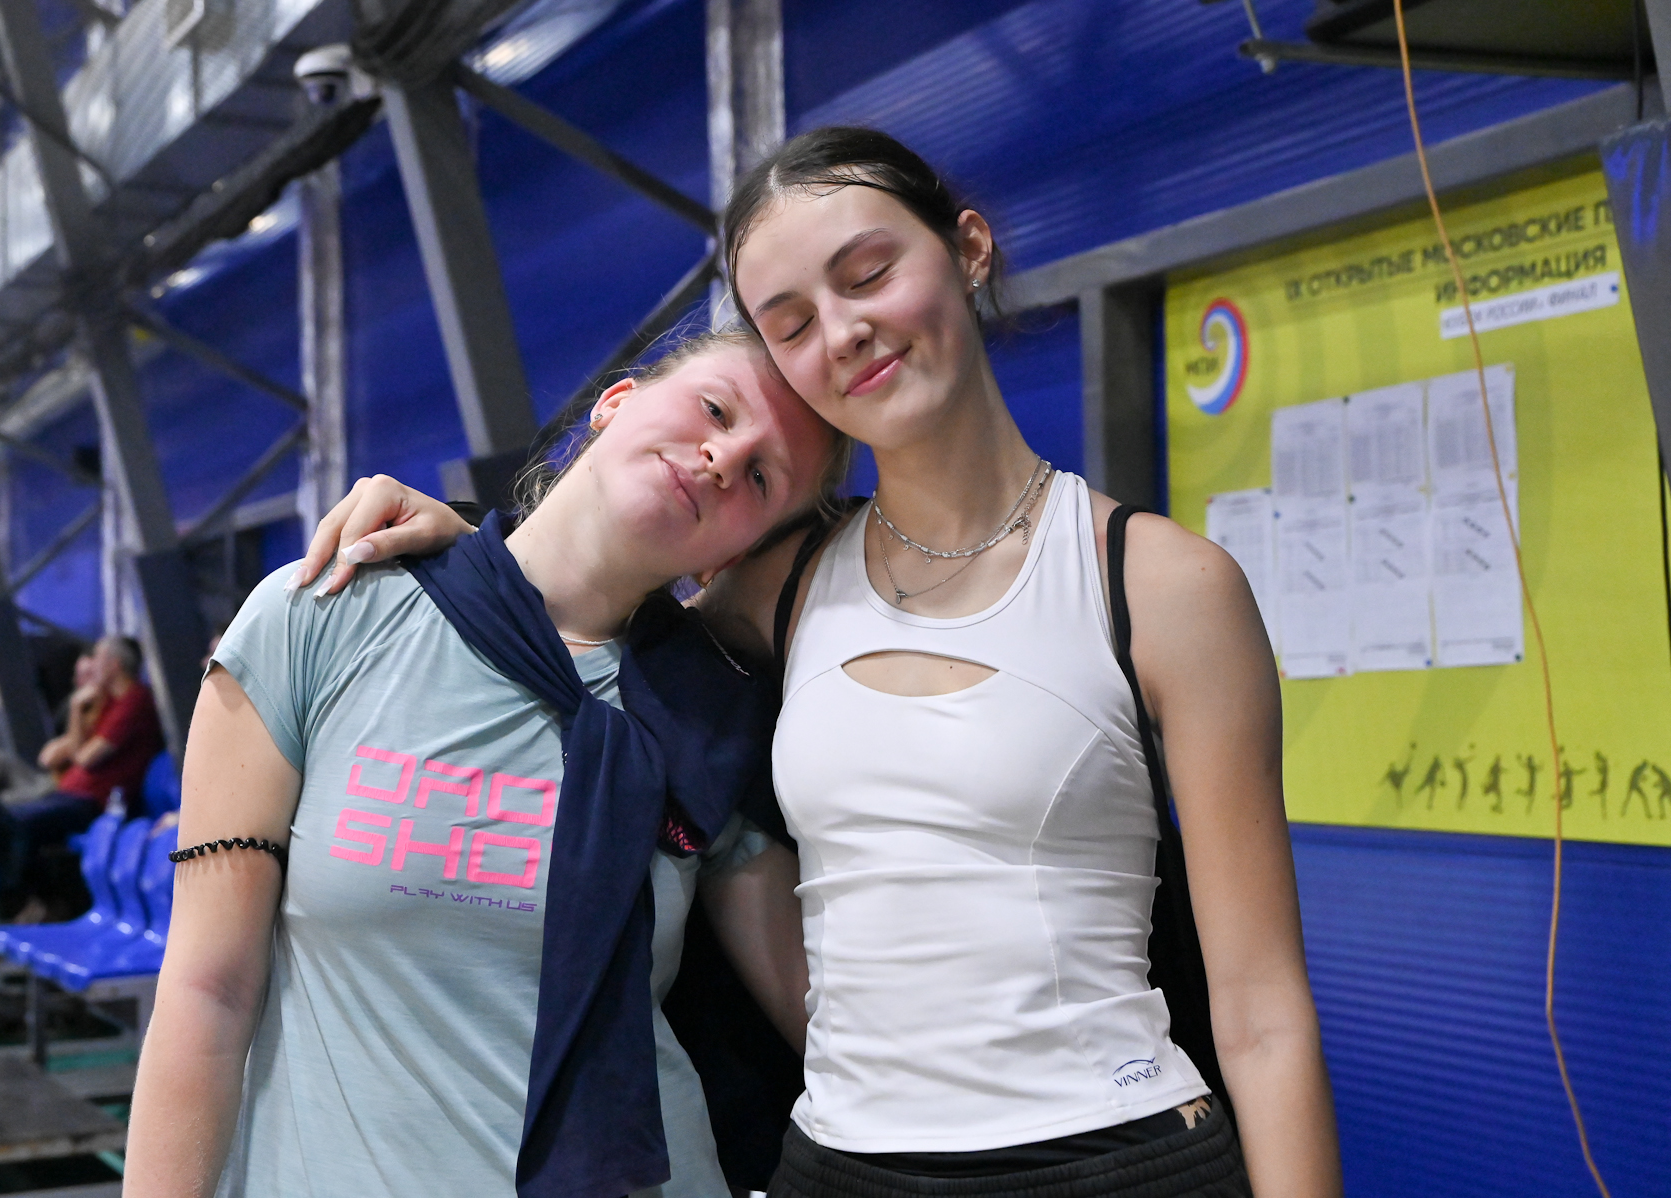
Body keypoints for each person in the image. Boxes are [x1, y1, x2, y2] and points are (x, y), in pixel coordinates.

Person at [298, 128, 1343, 1198]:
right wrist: (472, 554)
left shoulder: (1160, 584)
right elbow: (578, 619)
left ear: (969, 248)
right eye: (791, 323)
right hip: (836, 1167)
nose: (843, 332)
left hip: (1116, 1157)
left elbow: (1262, 1012)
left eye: (869, 273)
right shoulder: (782, 590)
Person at [124, 326, 846, 1198]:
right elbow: (207, 992)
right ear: (615, 402)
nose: (723, 458)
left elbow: (832, 1025)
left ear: (738, 552)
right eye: (716, 409)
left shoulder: (712, 720)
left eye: (763, 477)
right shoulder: (326, 610)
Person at [8, 636, 164, 901]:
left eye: (98, 659)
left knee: (13, 822)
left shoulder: (135, 700)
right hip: (70, 793)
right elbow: (59, 754)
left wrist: (76, 710)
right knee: (1, 814)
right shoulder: (106, 703)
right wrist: (77, 709)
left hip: (95, 802)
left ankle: (31, 903)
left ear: (114, 664)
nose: (92, 665)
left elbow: (84, 758)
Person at [37, 650, 104, 780]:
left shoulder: (107, 708)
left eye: (88, 674)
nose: (82, 682)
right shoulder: (75, 710)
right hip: (60, 780)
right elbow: (47, 758)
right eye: (79, 676)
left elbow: (80, 755)